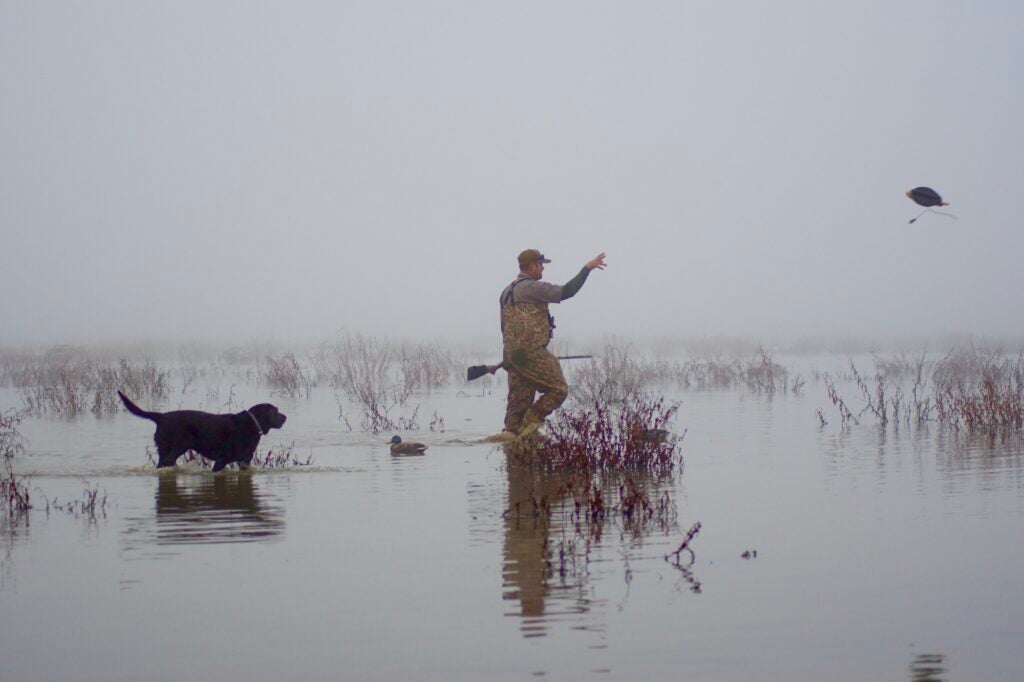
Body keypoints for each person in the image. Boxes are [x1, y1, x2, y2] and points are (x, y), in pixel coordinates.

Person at [498, 248, 607, 438]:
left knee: (516, 411)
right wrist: (587, 269)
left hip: (512, 356)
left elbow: (504, 326)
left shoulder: (506, 292)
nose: (542, 269)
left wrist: (512, 356)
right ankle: (529, 426)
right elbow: (567, 291)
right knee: (559, 389)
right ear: (532, 266)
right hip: (531, 353)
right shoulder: (532, 288)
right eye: (541, 265)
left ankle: (512, 452)